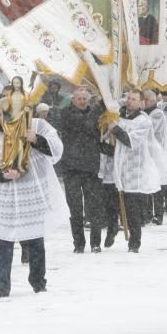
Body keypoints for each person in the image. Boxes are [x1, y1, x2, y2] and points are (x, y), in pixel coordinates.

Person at [0, 100, 66, 297]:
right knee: (4, 239)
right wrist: (3, 174)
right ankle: (2, 284)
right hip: (7, 194)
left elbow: (57, 149)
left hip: (32, 191)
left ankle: (38, 281)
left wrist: (36, 139)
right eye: (1, 115)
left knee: (35, 239)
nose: (5, 119)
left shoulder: (36, 125)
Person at [110, 90, 161, 253]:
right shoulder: (120, 117)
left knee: (133, 209)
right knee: (117, 204)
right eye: (128, 99)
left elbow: (131, 141)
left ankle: (134, 242)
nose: (129, 101)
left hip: (136, 169)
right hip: (119, 167)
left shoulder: (143, 121)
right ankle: (115, 230)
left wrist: (116, 129)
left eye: (133, 99)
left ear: (141, 103)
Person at [58, 86, 104, 253]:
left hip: (91, 166)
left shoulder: (95, 113)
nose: (82, 101)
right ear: (73, 99)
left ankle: (96, 242)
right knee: (75, 207)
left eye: (85, 98)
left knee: (94, 206)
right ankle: (78, 243)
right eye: (79, 98)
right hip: (72, 166)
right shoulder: (66, 113)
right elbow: (82, 125)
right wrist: (99, 108)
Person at [142, 90, 167, 226]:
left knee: (157, 184)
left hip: (156, 151)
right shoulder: (143, 113)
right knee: (147, 182)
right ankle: (146, 213)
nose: (142, 102)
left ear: (152, 101)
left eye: (145, 99)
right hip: (147, 152)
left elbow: (148, 126)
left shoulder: (157, 113)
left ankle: (158, 214)